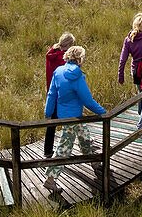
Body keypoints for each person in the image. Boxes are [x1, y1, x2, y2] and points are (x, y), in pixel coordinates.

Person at [43, 45, 105, 191]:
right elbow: (87, 100)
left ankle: (93, 162)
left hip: (65, 115)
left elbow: (52, 95)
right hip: (75, 117)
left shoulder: (58, 72)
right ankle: (50, 179)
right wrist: (103, 112)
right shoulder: (78, 76)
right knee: (64, 148)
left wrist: (48, 112)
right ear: (80, 59)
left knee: (84, 136)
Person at [117, 12, 142, 129]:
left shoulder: (128, 39)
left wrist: (120, 76)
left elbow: (122, 59)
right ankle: (141, 126)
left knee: (141, 92)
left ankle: (141, 115)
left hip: (135, 71)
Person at [43, 32, 75, 158]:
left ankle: (47, 150)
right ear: (68, 45)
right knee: (70, 122)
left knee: (52, 124)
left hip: (51, 94)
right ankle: (64, 152)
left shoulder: (51, 54)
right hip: (63, 95)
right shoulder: (62, 58)